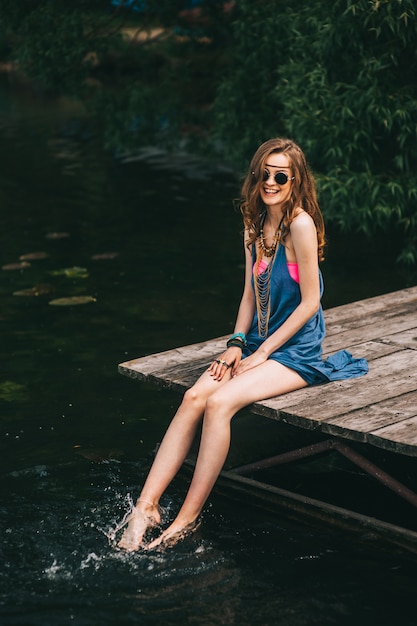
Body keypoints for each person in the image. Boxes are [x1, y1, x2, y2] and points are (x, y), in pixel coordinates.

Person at [117, 137, 368, 552]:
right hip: (255, 341)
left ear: (296, 180)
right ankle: (146, 507)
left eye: (281, 175)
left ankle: (187, 516)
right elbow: (250, 294)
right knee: (195, 396)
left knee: (220, 404)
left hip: (295, 350)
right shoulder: (253, 224)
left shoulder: (300, 225)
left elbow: (310, 303)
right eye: (264, 173)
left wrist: (263, 354)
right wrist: (236, 343)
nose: (270, 181)